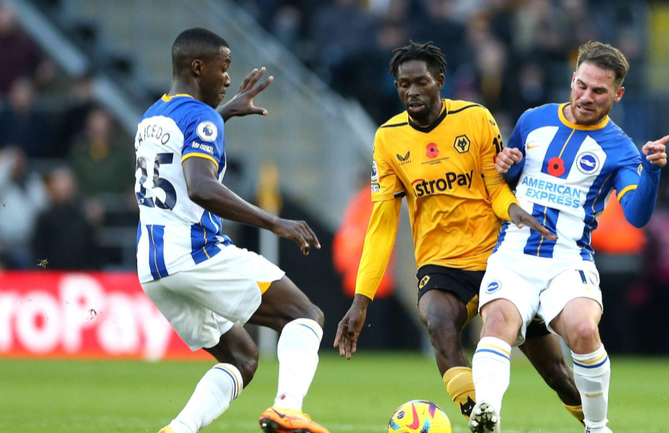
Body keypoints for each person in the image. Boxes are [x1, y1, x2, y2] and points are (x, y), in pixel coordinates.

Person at [334, 41, 585, 426]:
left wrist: (513, 210)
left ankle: (593, 423)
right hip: (441, 263)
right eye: (404, 85)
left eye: (420, 83)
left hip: (498, 257)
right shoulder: (387, 138)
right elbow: (382, 222)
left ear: (439, 81)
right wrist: (361, 299)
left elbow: (497, 188)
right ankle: (483, 419)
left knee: (556, 373)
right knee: (436, 319)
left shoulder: (475, 119)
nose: (412, 92)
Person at [470, 41, 669, 433]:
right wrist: (506, 167)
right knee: (497, 323)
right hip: (514, 253)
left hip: (568, 260)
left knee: (583, 330)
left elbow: (637, 216)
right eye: (581, 85)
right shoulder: (533, 120)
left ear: (618, 94)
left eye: (599, 91)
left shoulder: (622, 150)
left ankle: (596, 428)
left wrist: (651, 173)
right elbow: (504, 182)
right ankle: (487, 415)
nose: (586, 96)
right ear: (572, 79)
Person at [136, 28, 328, 433]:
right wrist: (275, 221)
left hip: (153, 267)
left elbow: (177, 156)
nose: (227, 79)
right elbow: (200, 187)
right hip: (195, 252)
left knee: (242, 357)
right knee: (304, 315)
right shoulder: (201, 117)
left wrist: (223, 114)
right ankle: (288, 409)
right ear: (197, 67)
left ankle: (179, 430)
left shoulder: (152, 116)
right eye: (223, 69)